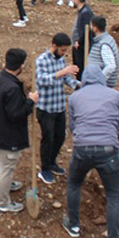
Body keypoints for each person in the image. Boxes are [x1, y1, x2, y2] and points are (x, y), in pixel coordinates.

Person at [63, 64, 119, 238]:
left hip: (82, 149)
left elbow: (72, 125)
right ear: (102, 78)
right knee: (113, 194)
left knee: (74, 184)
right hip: (108, 151)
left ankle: (74, 226)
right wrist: (114, 141)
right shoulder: (116, 95)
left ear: (84, 79)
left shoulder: (75, 97)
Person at [0, 48, 39, 213]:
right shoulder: (12, 88)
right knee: (6, 165)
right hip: (8, 135)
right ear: (21, 66)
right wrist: (31, 101)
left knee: (2, 161)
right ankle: (3, 203)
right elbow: (17, 114)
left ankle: (6, 184)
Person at [35, 33, 81, 185]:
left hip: (59, 106)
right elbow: (42, 80)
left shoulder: (61, 59)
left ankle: (52, 162)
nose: (64, 53)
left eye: (65, 51)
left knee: (60, 136)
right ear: (54, 46)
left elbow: (65, 78)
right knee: (47, 139)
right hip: (46, 108)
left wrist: (76, 85)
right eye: (62, 50)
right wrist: (62, 72)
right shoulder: (41, 60)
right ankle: (44, 168)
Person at [87, 16, 119, 88]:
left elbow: (111, 66)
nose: (90, 28)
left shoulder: (104, 44)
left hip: (102, 87)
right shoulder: (107, 39)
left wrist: (99, 80)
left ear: (95, 28)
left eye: (91, 26)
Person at [71, 0, 95, 79]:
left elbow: (86, 30)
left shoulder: (86, 13)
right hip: (79, 45)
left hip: (81, 47)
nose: (72, 1)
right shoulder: (82, 11)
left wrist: (79, 41)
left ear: (77, 0)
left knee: (80, 69)